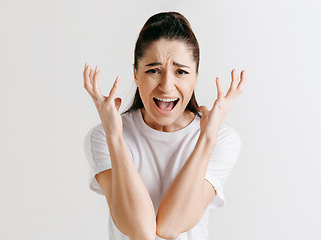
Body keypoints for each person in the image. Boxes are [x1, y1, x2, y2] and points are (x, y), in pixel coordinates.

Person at [83, 11, 246, 240]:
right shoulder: (103, 138)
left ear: (196, 77)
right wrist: (115, 138)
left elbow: (170, 227)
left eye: (181, 72)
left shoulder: (223, 140)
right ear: (136, 74)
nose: (167, 86)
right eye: (153, 70)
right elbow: (141, 232)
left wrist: (207, 139)